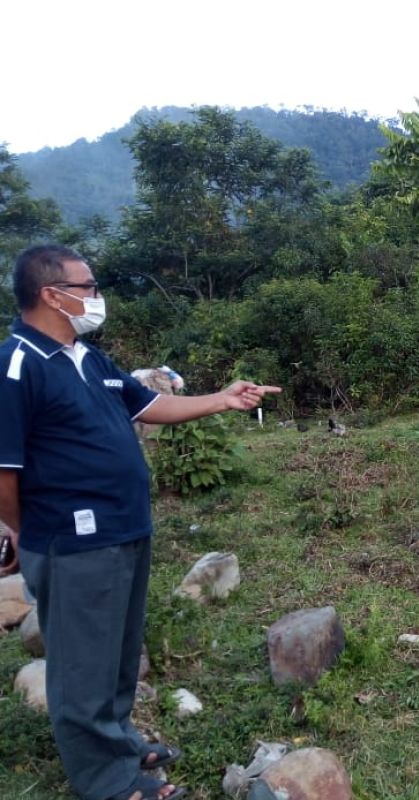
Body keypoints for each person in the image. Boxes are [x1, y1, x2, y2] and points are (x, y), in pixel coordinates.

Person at [0, 245, 281, 800]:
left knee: (118, 651)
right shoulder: (16, 367)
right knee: (82, 664)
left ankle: (119, 741)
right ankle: (105, 781)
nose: (96, 297)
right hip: (71, 541)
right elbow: (3, 473)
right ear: (52, 294)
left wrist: (222, 400)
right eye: (88, 286)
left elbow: (147, 406)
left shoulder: (90, 359)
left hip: (125, 529)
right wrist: (27, 530)